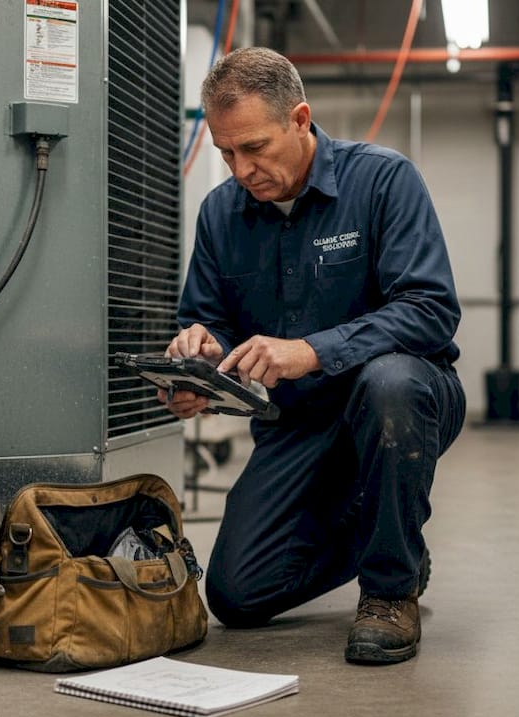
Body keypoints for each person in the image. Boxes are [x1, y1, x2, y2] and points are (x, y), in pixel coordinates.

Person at [160, 46, 466, 665]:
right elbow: (208, 320)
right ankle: (387, 533)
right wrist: (198, 359)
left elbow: (431, 310)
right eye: (225, 152)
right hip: (296, 424)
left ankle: (390, 588)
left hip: (401, 399)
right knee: (236, 595)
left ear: (300, 119)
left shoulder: (383, 181)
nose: (240, 168)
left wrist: (312, 350)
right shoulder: (220, 215)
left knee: (389, 383)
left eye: (254, 148)